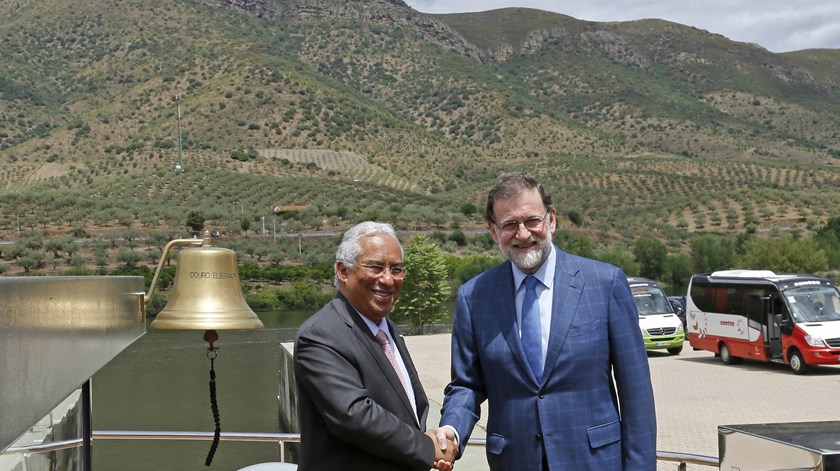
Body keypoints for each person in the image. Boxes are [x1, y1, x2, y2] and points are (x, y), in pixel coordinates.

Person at [436, 173, 656, 470]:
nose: (523, 234)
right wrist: (451, 430)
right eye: (510, 224)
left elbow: (636, 394)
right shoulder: (474, 297)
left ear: (551, 220)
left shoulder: (605, 284)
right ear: (492, 231)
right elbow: (467, 384)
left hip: (594, 461)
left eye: (532, 221)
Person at [294, 221, 456, 471]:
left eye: (397, 269)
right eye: (376, 267)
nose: (388, 280)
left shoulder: (387, 327)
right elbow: (354, 415)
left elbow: (406, 407)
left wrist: (434, 442)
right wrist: (425, 447)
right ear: (343, 271)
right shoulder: (320, 335)